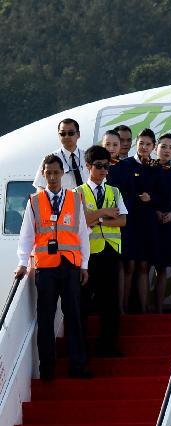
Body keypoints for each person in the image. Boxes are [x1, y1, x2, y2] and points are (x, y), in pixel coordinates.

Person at [16, 154, 91, 380]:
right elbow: (27, 236)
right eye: (48, 173)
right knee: (45, 318)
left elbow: (82, 234)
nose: (52, 177)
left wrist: (84, 265)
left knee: (74, 317)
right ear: (43, 174)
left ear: (62, 174)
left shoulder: (74, 198)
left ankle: (77, 366)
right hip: (46, 268)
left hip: (70, 266)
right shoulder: (34, 201)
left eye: (56, 173)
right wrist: (22, 263)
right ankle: (47, 369)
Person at [78, 145, 127, 357]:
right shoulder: (78, 193)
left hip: (110, 251)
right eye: (99, 166)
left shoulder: (114, 191)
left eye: (107, 166)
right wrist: (104, 213)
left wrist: (97, 218)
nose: (104, 171)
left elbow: (122, 220)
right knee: (83, 301)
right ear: (88, 166)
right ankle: (81, 347)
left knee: (111, 301)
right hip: (87, 254)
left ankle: (109, 345)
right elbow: (81, 221)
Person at [113, 127, 159, 313]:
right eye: (141, 143)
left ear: (154, 146)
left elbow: (163, 195)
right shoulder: (125, 165)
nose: (144, 147)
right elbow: (120, 192)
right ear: (136, 144)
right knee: (129, 265)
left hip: (147, 222)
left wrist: (152, 198)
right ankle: (123, 308)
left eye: (148, 144)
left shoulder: (156, 167)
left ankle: (143, 309)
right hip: (129, 221)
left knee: (144, 266)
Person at [153, 133, 171, 313]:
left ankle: (159, 309)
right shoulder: (148, 169)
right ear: (156, 148)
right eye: (163, 146)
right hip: (150, 223)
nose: (167, 150)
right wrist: (154, 211)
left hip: (169, 224)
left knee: (162, 268)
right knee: (141, 267)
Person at [33, 118, 85, 190]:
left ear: (78, 134)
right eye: (63, 134)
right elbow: (41, 187)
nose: (66, 136)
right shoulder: (50, 159)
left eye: (70, 133)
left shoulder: (88, 157)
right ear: (58, 135)